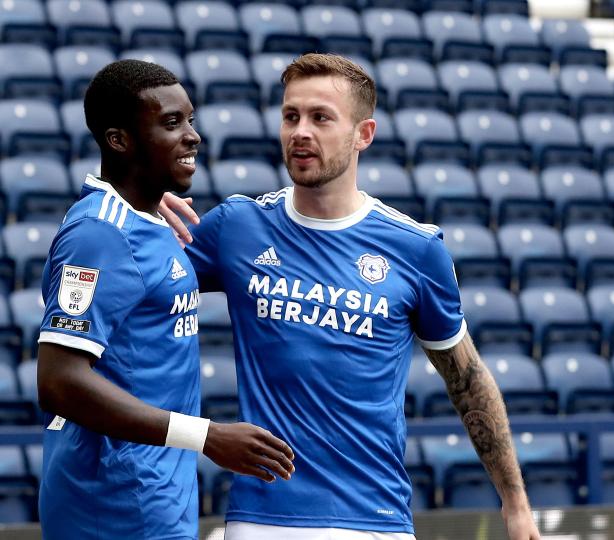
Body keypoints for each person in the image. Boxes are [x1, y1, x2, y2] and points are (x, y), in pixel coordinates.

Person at [161, 53, 540, 539]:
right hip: (263, 518)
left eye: (321, 118)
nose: (301, 131)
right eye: (291, 116)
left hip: (374, 519)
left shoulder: (417, 249)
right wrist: (147, 221)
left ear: (364, 134)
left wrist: (515, 502)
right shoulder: (237, 227)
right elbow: (141, 289)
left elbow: (467, 380)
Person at [36, 59, 295, 540]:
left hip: (155, 493)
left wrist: (153, 205)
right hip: (112, 503)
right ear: (119, 140)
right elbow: (59, 381)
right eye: (171, 123)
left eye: (190, 119)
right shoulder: (99, 233)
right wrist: (207, 436)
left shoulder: (148, 221)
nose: (193, 135)